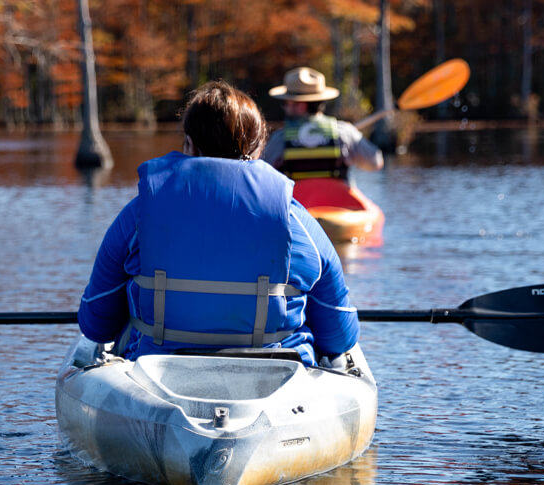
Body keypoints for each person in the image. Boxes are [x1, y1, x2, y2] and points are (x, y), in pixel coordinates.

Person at [77, 80, 359, 367]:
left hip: (155, 370)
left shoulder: (140, 216)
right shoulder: (296, 221)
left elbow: (96, 323)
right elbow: (339, 336)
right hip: (281, 373)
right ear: (258, 147)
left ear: (189, 143)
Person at [262, 67, 383, 181]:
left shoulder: (280, 139)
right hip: (336, 201)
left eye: (285, 103)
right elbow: (376, 163)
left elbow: (263, 175)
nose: (284, 108)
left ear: (300, 106)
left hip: (299, 202)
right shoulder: (344, 132)